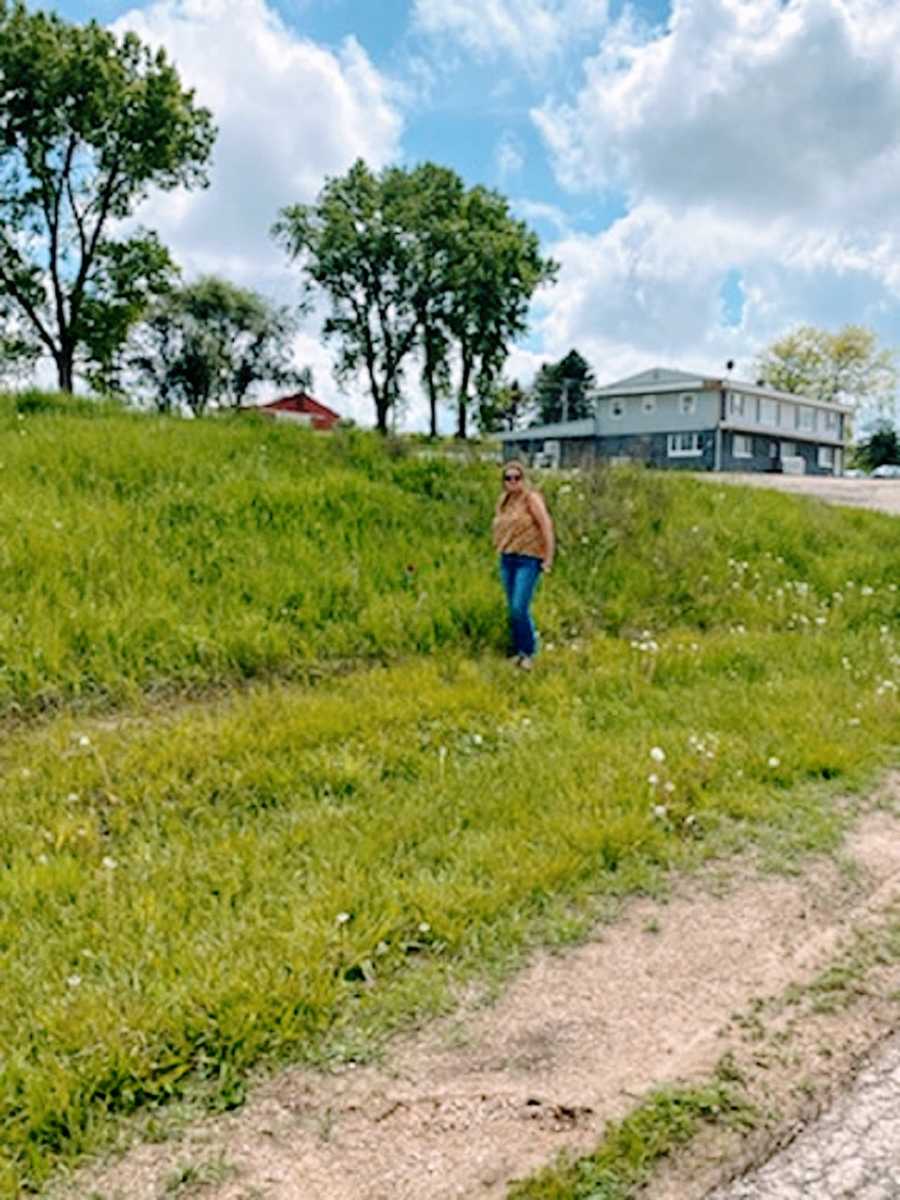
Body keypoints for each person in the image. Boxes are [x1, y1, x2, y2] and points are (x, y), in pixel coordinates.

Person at [491, 459, 555, 670]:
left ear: (523, 479)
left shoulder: (531, 499)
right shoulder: (504, 501)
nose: (513, 482)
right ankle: (518, 650)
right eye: (508, 478)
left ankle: (528, 652)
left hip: (528, 558)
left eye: (517, 478)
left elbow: (546, 525)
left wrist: (548, 556)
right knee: (512, 609)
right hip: (507, 557)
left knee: (520, 606)